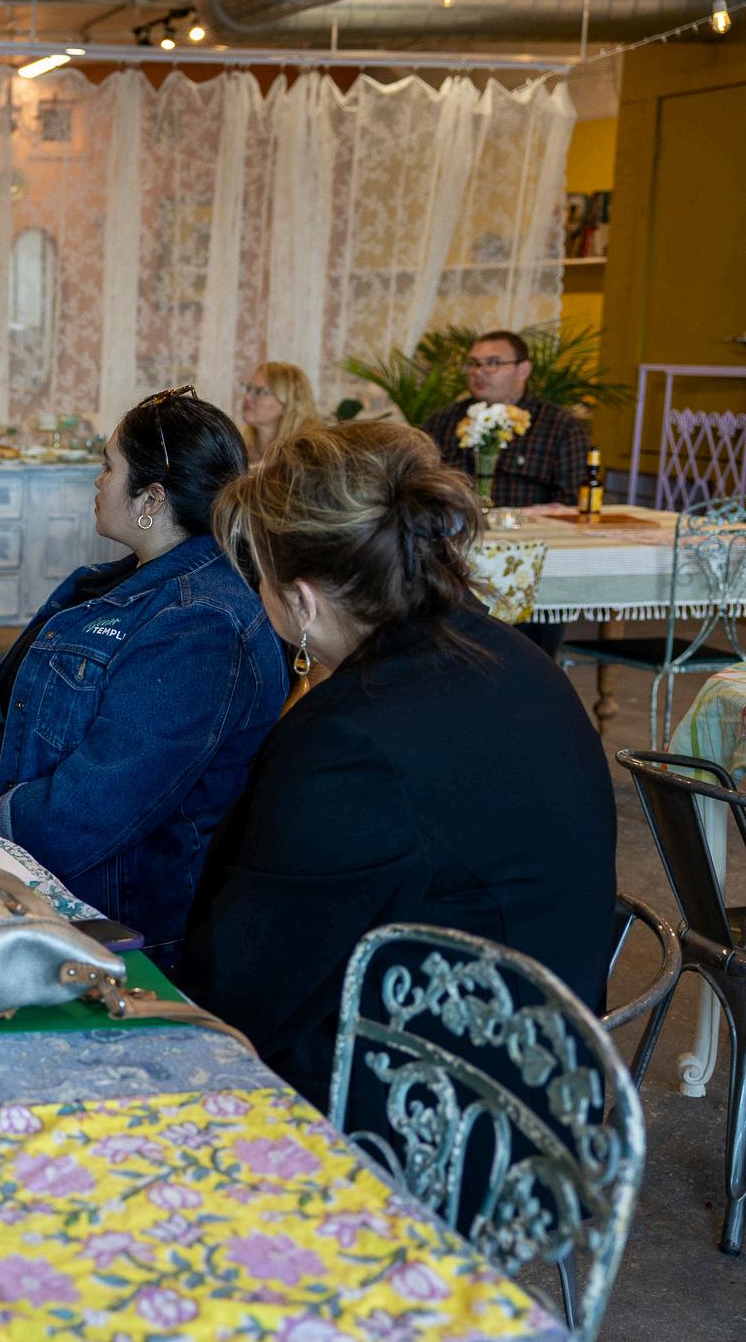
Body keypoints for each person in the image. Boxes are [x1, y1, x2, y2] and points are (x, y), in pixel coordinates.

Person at [183, 420, 615, 1106]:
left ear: (304, 600)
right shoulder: (509, 652)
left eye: (259, 576)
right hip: (550, 1063)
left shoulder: (350, 742)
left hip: (438, 1110)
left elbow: (240, 994)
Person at [0, 388, 286, 965]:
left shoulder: (200, 624)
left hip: (102, 918)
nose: (98, 481)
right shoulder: (126, 582)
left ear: (152, 498)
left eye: (108, 467)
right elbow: (35, 731)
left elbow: (89, 811)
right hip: (26, 857)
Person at [420, 328, 589, 655]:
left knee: (527, 649)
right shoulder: (444, 422)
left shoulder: (559, 427)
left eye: (493, 363)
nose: (479, 372)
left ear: (523, 369)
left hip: (532, 562)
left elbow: (571, 502)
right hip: (456, 558)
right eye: (473, 363)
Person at [237, 360, 321, 460]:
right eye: (248, 388)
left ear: (289, 403)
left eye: (261, 392)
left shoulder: (306, 453)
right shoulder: (237, 443)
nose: (247, 397)